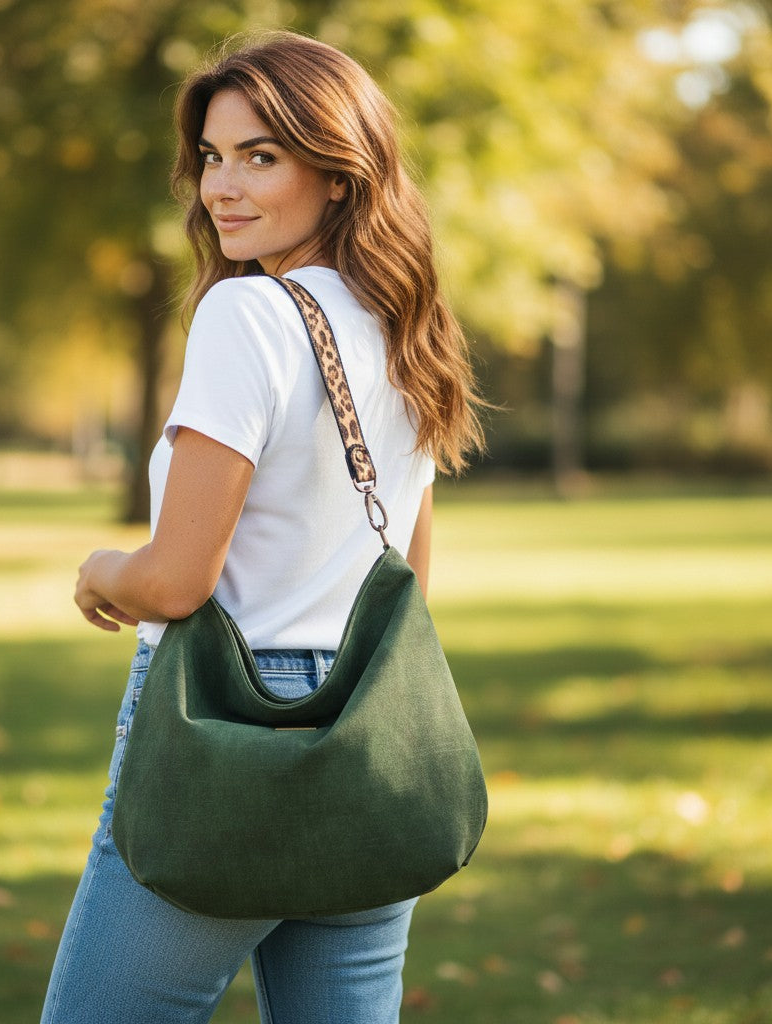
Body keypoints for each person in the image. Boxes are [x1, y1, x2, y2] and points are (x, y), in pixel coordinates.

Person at [40, 31, 484, 1024]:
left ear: (336, 175)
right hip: (368, 725)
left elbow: (176, 581)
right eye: (210, 155)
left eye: (260, 155)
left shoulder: (248, 318)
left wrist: (99, 567)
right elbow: (404, 570)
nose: (220, 188)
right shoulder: (407, 327)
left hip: (222, 725)